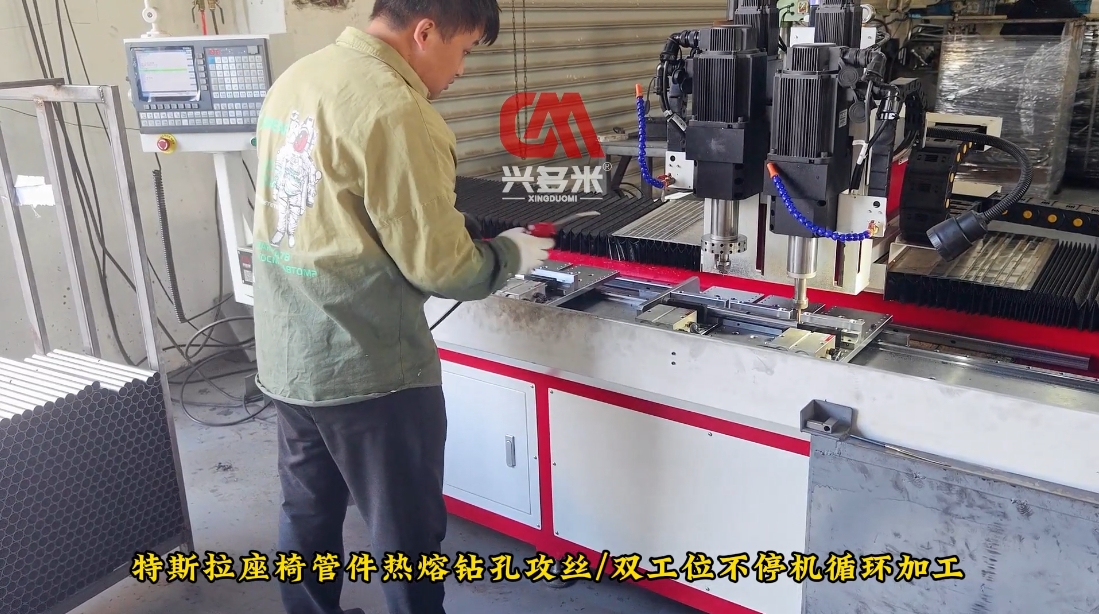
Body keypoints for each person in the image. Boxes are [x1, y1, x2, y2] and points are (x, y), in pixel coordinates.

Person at [249, 1, 555, 612]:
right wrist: (512, 253)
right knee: (405, 533)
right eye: (463, 51)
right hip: (370, 371)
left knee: (306, 513)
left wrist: (451, 225)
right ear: (425, 32)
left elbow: (332, 205)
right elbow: (443, 269)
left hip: (290, 355)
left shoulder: (298, 78)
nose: (461, 70)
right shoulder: (397, 109)